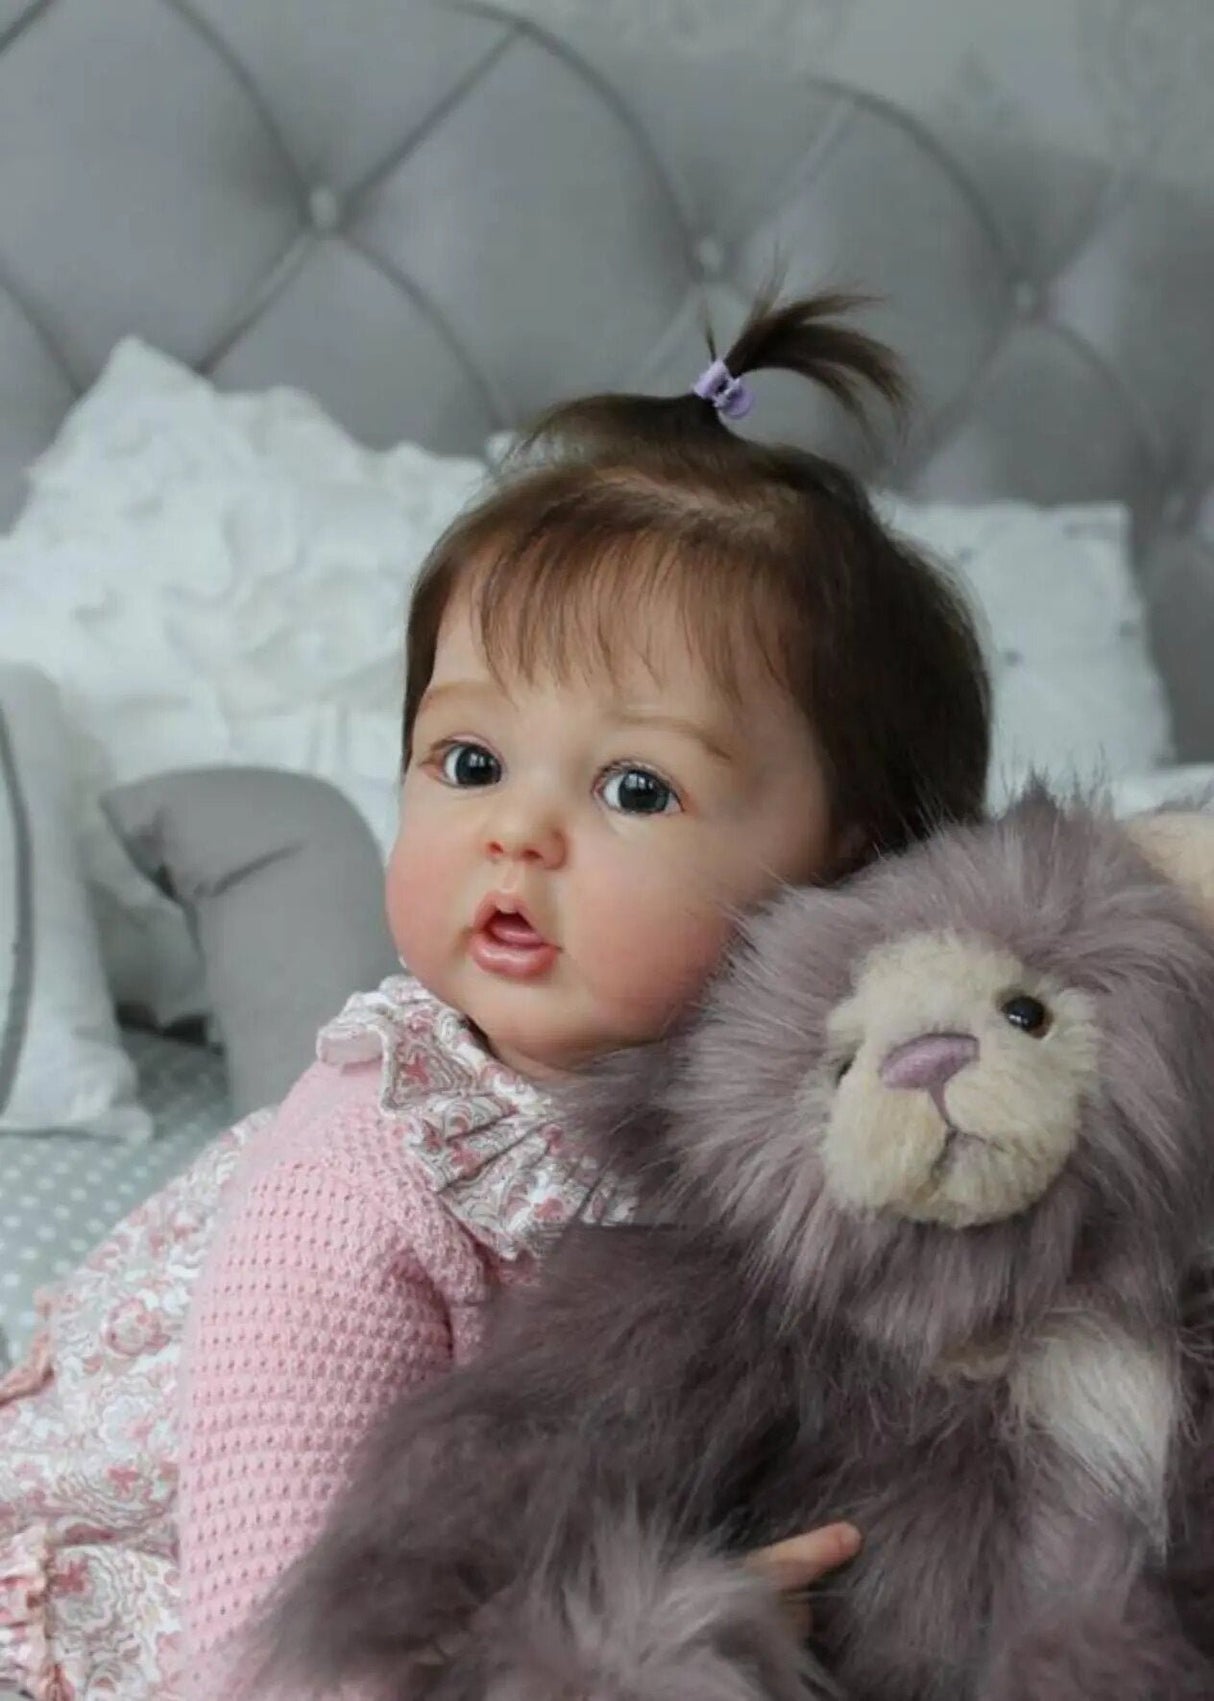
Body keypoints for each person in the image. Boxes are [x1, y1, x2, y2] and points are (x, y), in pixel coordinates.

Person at [0, 290, 991, 1701]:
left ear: (853, 861)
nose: (515, 831)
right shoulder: (367, 1180)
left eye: (634, 786)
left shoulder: (866, 1118)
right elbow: (275, 1631)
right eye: (467, 763)